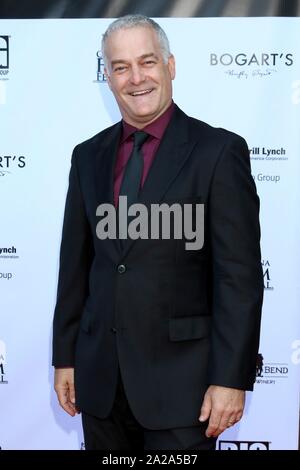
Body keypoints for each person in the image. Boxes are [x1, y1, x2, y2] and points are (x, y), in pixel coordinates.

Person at [52, 14, 264, 451]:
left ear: (170, 65)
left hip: (184, 391)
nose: (135, 78)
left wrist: (230, 379)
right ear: (107, 77)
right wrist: (66, 357)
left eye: (146, 62)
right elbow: (76, 267)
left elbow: (238, 277)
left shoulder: (219, 152)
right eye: (120, 66)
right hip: (101, 386)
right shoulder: (87, 156)